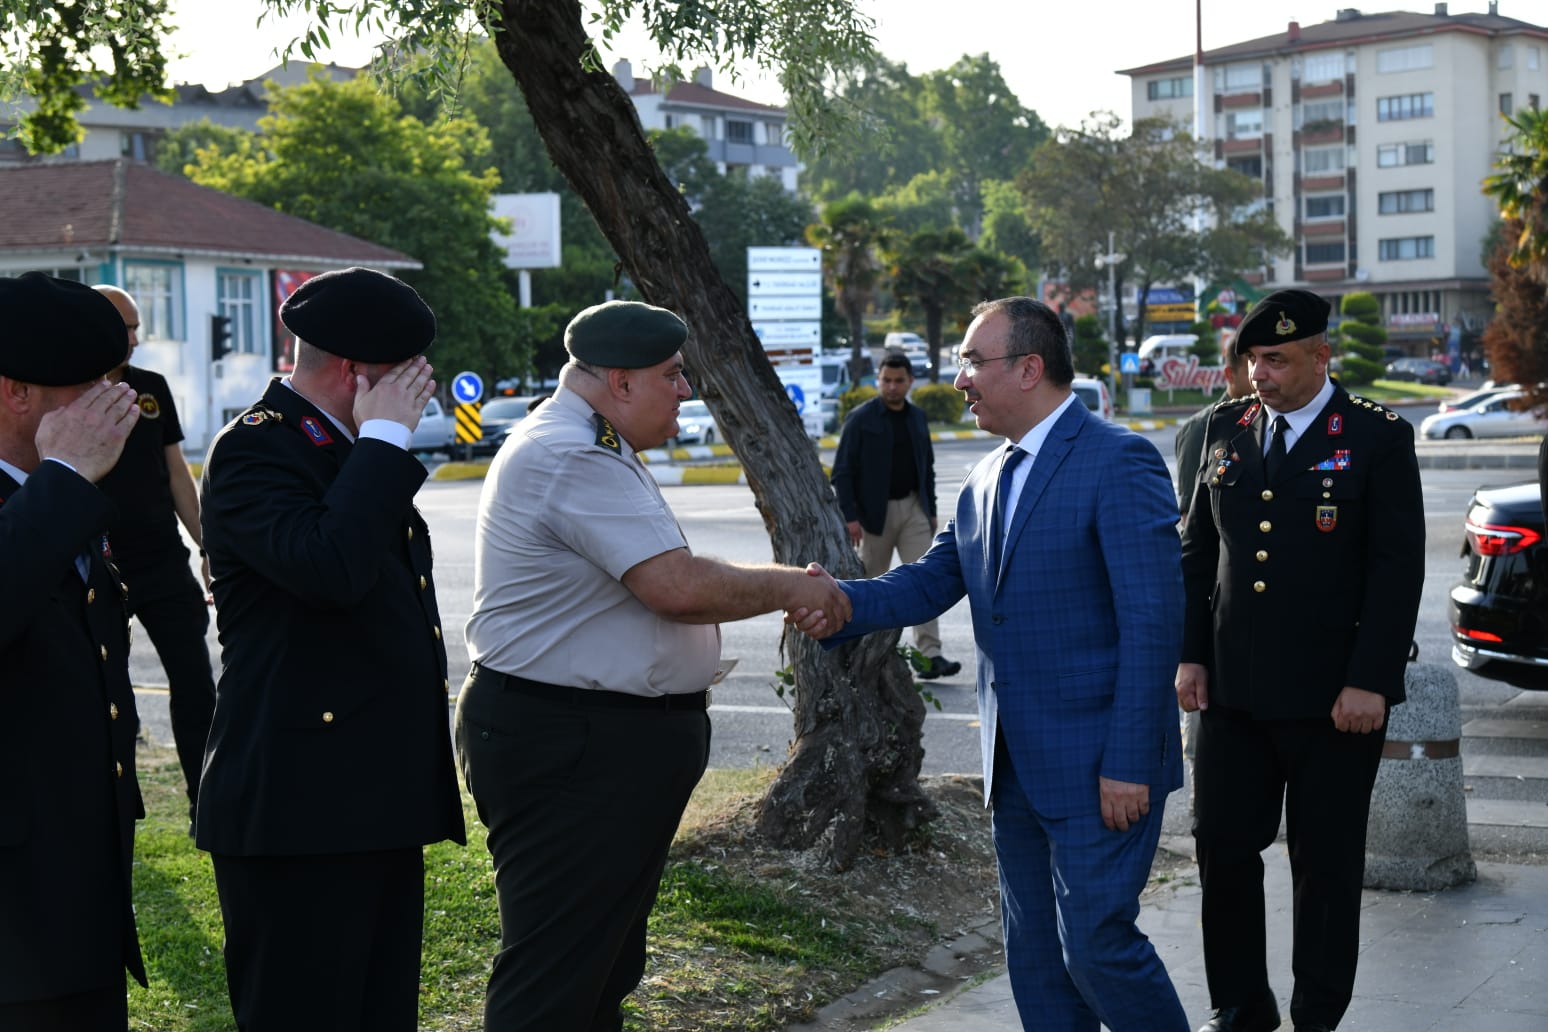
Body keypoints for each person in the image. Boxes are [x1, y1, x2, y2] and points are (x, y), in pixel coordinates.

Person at [456, 299, 852, 1032]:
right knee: (555, 978)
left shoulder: (594, 443)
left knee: (600, 965)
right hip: (574, 743)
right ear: (621, 381)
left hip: (596, 740)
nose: (686, 390)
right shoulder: (570, 454)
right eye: (672, 375)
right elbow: (675, 586)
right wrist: (793, 587)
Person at [795, 296, 1189, 1032]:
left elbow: (1152, 624)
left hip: (1102, 765)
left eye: (973, 361)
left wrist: (1130, 761)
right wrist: (836, 600)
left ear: (1029, 367)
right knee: (1034, 955)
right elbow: (926, 583)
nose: (959, 377)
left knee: (1099, 948)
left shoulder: (1118, 459)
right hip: (1014, 766)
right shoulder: (985, 478)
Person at [196, 267, 465, 1032]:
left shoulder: (346, 451)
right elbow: (332, 570)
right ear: (358, 373)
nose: (425, 392)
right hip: (296, 806)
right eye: (411, 376)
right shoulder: (257, 451)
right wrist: (383, 436)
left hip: (368, 797)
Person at [1175, 288, 1425, 1032]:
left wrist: (1370, 681)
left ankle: (1318, 1014)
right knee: (1221, 848)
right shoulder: (1226, 429)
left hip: (1331, 701)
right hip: (1234, 694)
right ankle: (1241, 1005)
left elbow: (1395, 568)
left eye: (1276, 359)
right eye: (1253, 358)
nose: (1260, 374)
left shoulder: (1376, 437)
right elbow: (1198, 554)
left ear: (1322, 356)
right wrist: (1190, 657)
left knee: (1324, 864)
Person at [0, 272, 147, 1030]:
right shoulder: (57, 489)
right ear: (13, 391)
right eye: (83, 388)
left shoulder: (63, 493)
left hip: (76, 895)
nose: (107, 405)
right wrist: (60, 478)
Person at [92, 284, 216, 824]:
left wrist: (206, 543)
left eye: (138, 326)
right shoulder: (70, 391)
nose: (136, 339)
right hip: (99, 565)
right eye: (126, 328)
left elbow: (176, 473)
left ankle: (206, 800)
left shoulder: (151, 389)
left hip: (164, 562)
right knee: (108, 694)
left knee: (195, 682)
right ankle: (112, 808)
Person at [830, 353, 961, 679]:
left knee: (926, 581)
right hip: (873, 516)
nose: (891, 386)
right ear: (878, 380)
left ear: (909, 382)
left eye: (898, 381)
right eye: (886, 380)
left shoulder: (917, 417)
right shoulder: (860, 419)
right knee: (870, 586)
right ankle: (866, 658)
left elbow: (926, 467)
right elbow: (842, 473)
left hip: (914, 510)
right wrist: (850, 517)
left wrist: (929, 510)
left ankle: (930, 655)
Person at [1175, 336, 1253, 518]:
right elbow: (1190, 517)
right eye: (1251, 366)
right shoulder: (1201, 427)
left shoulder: (1268, 422)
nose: (1259, 374)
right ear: (1229, 375)